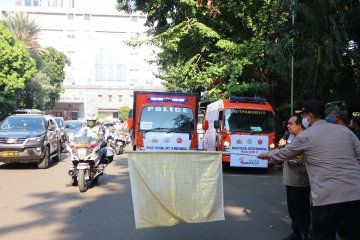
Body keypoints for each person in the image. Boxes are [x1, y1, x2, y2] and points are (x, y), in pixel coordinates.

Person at [258, 100, 360, 240]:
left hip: (327, 196)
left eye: (304, 115)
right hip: (355, 193)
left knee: (321, 235)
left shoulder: (307, 135)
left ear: (310, 116)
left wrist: (267, 154)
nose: (303, 119)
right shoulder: (345, 131)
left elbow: (284, 153)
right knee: (353, 234)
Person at [277, 115, 310, 240]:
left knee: (301, 210)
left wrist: (283, 151)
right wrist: (282, 147)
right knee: (293, 209)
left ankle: (305, 234)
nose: (288, 126)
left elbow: (296, 159)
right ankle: (296, 233)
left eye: (291, 123)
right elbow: (287, 153)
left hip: (300, 180)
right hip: (290, 178)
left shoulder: (304, 138)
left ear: (299, 125)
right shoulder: (291, 137)